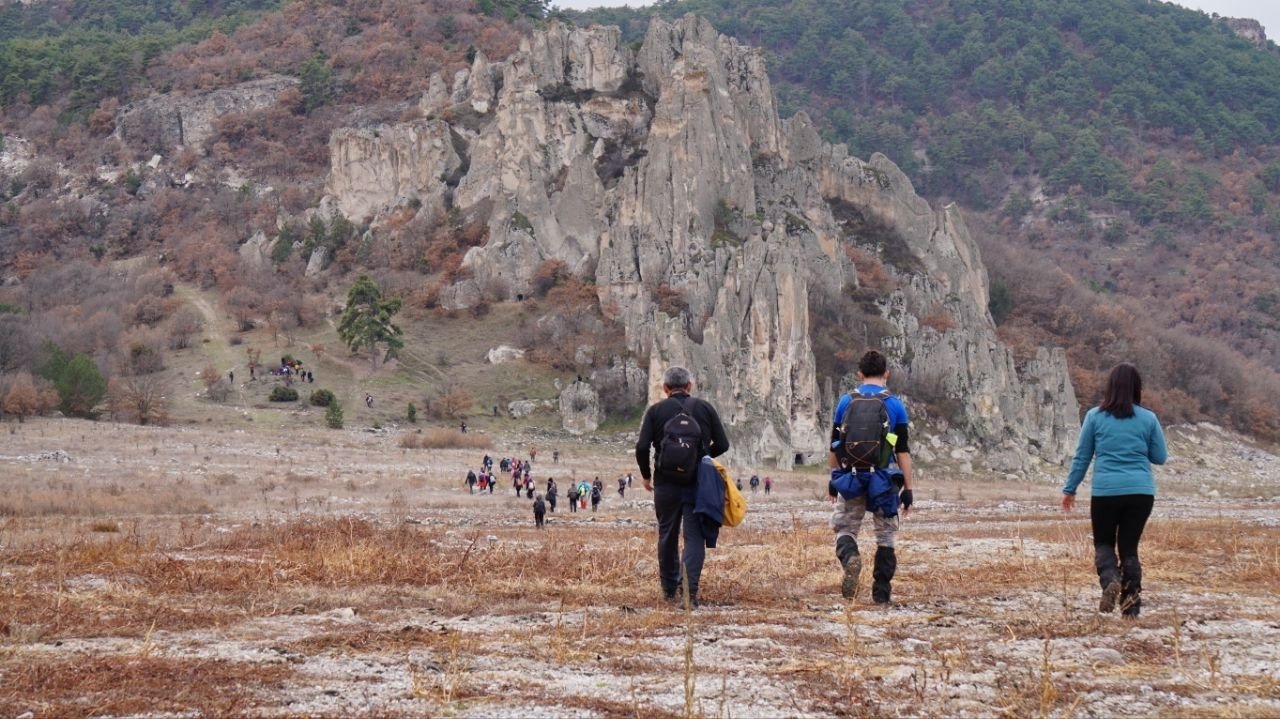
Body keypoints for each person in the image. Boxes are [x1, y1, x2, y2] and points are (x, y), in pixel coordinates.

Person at [1062, 363, 1168, 618]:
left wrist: (1070, 489)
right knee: (1129, 549)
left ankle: (1110, 578)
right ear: (1136, 387)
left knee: (1104, 543)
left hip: (1106, 492)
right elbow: (1160, 457)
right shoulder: (1148, 418)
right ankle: (1131, 609)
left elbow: (1082, 457)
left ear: (1110, 386)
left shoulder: (1094, 417)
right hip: (1141, 493)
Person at [636, 365, 730, 608]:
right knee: (694, 537)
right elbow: (723, 443)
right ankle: (689, 593)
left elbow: (642, 447)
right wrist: (704, 455)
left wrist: (647, 475)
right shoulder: (704, 408)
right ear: (690, 386)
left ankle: (668, 590)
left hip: (665, 482)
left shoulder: (655, 411)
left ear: (665, 388)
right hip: (698, 482)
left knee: (667, 534)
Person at [829, 350, 914, 605]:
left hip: (852, 478)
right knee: (886, 537)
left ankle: (851, 558)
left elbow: (834, 445)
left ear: (860, 374)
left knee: (845, 528)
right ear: (886, 374)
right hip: (884, 480)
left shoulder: (846, 401)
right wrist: (908, 489)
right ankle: (881, 594)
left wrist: (833, 480)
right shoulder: (895, 405)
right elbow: (902, 451)